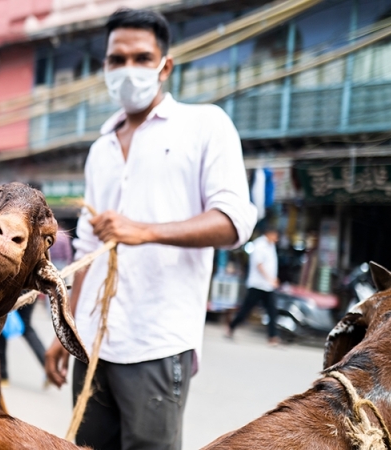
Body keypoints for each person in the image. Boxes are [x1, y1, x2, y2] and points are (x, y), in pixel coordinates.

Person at [43, 8, 257, 450]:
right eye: (116, 60)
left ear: (166, 66)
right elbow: (85, 250)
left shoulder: (206, 125)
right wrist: (65, 331)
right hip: (92, 341)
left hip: (156, 340)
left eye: (142, 58)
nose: (127, 70)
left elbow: (234, 220)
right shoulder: (100, 149)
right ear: (104, 67)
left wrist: (144, 230)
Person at [226, 223, 280, 345]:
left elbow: (271, 265)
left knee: (272, 311)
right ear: (269, 234)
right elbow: (259, 265)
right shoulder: (259, 245)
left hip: (268, 286)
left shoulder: (271, 246)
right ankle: (231, 326)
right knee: (246, 309)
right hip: (257, 284)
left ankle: (273, 336)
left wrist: (273, 279)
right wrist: (269, 279)